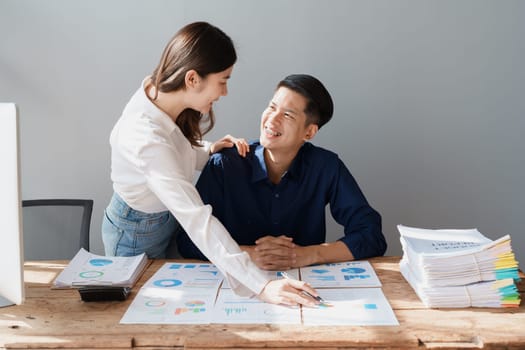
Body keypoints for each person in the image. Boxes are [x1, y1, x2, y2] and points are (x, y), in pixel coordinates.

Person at [101, 22, 319, 306]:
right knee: (137, 316)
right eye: (223, 80)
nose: (225, 92)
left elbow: (171, 149)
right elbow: (197, 219)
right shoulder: (143, 138)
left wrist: (207, 149)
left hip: (166, 220)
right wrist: (262, 285)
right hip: (134, 235)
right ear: (192, 79)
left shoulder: (159, 94)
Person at [177, 74, 387, 271]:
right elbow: (187, 239)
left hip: (304, 286)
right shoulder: (225, 164)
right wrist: (248, 254)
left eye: (287, 115)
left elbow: (371, 235)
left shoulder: (326, 167)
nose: (272, 120)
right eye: (272, 107)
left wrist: (309, 254)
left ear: (309, 132)